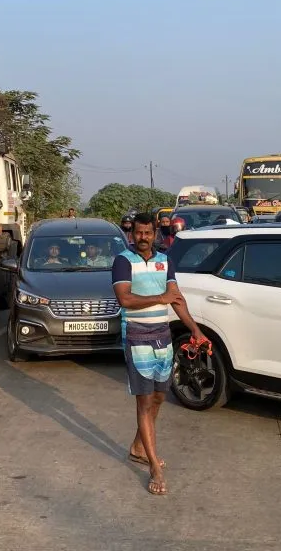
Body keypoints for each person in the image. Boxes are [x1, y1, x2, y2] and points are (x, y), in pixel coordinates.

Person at [111, 212, 207, 496]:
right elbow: (124, 298)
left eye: (148, 233)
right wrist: (159, 298)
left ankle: (138, 447)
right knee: (144, 402)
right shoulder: (123, 261)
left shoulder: (165, 261)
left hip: (163, 337)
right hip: (137, 337)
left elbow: (176, 299)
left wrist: (195, 330)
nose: (143, 238)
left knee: (159, 397)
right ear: (132, 234)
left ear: (155, 234)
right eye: (138, 233)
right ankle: (154, 467)